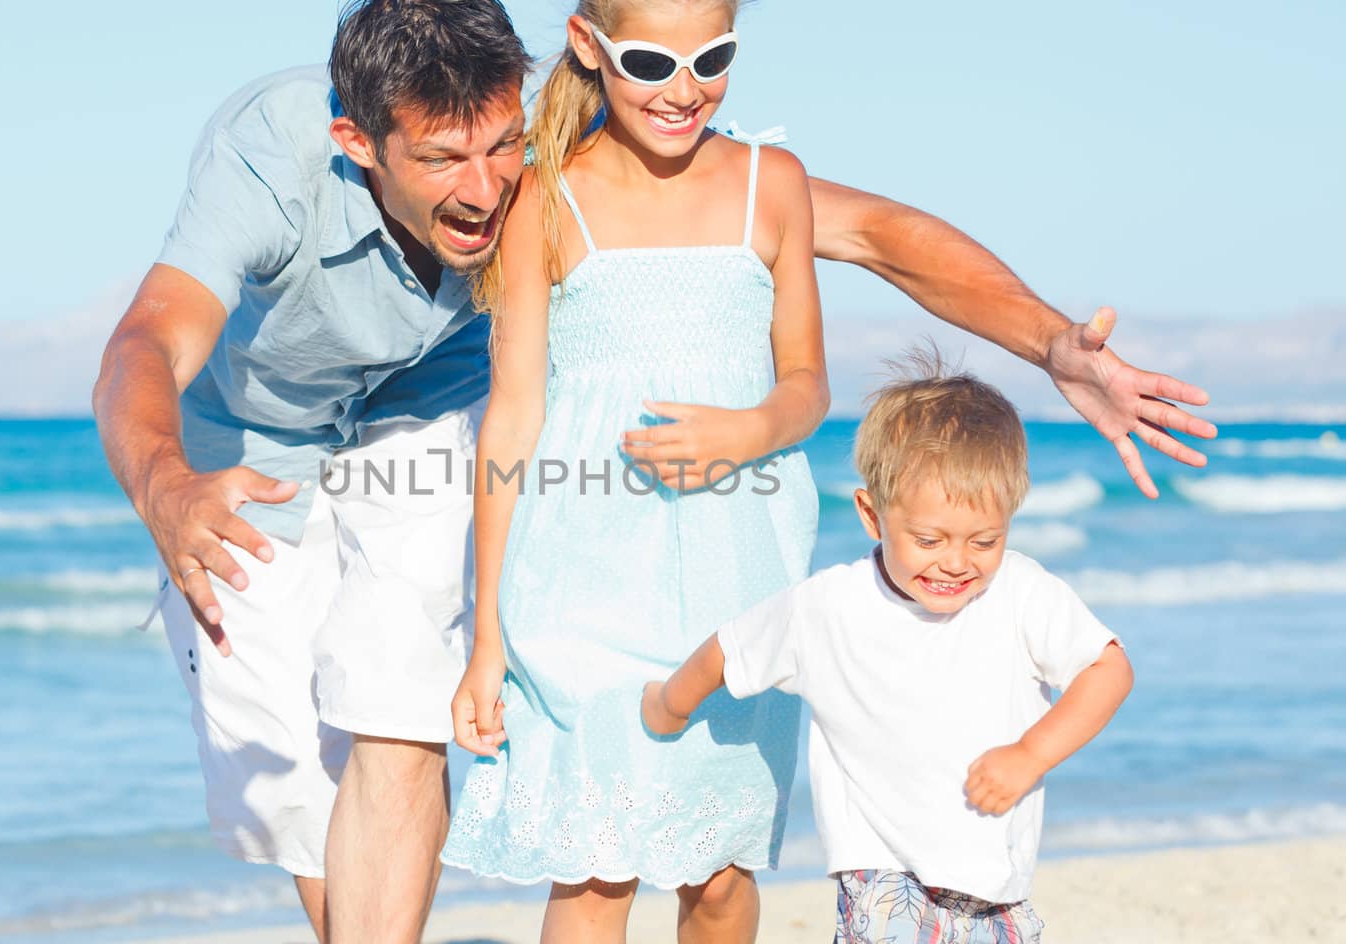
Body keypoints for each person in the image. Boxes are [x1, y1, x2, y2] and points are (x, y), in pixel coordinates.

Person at [91, 1, 1206, 940]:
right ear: (359, 142)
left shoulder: (568, 150)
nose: (484, 186)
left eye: (497, 145)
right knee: (291, 794)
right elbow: (149, 337)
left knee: (399, 711)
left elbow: (873, 237)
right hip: (252, 438)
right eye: (441, 161)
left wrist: (1053, 341)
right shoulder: (282, 157)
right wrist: (165, 483)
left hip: (440, 424)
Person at [440, 1, 821, 940]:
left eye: (713, 57)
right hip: (579, 579)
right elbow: (513, 419)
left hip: (741, 574)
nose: (685, 89)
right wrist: (485, 639)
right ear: (589, 45)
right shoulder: (543, 194)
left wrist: (751, 430)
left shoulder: (773, 184)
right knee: (596, 871)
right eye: (651, 61)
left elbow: (809, 385)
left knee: (719, 878)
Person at [642, 352, 1135, 943]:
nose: (956, 562)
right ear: (872, 516)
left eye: (985, 540)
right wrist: (669, 704)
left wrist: (1031, 753)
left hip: (994, 886)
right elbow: (728, 650)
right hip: (880, 879)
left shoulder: (1021, 592)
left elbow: (1108, 669)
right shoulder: (828, 607)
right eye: (929, 539)